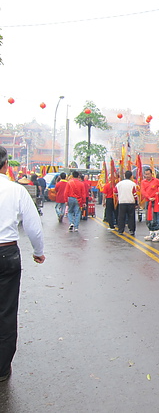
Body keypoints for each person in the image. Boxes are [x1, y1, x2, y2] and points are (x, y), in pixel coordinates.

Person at [0, 145, 45, 383]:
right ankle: (1, 368)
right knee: (6, 311)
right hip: (6, 253)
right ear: (6, 165)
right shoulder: (16, 190)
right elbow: (33, 226)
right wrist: (39, 251)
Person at [141, 168, 159, 242]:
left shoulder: (156, 181)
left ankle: (158, 233)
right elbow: (143, 191)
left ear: (151, 174)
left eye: (148, 174)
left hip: (155, 202)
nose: (147, 176)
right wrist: (148, 197)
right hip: (148, 201)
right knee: (148, 218)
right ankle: (152, 233)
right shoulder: (143, 182)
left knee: (155, 217)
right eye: (146, 174)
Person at [115, 170, 138, 236]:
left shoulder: (119, 184)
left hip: (122, 202)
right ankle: (131, 230)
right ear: (131, 176)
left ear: (125, 176)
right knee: (131, 217)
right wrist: (136, 203)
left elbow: (115, 192)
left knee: (121, 217)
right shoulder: (133, 184)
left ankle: (120, 230)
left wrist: (119, 197)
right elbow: (135, 194)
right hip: (131, 202)